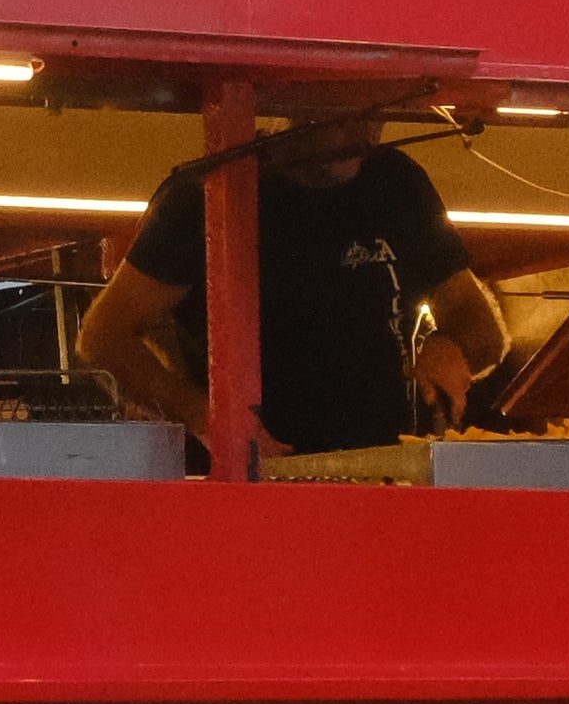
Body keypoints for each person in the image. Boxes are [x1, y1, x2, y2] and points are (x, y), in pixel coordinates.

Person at [76, 110, 508, 462]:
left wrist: (452, 345)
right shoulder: (208, 194)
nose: (365, 132)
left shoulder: (397, 184)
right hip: (256, 473)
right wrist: (209, 421)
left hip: (382, 468)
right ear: (292, 102)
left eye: (375, 111)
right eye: (341, 112)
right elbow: (104, 337)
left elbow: (484, 332)